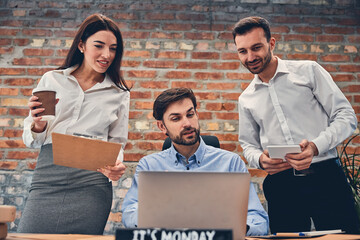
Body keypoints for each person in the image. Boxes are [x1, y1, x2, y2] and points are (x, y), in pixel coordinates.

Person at [233, 16, 359, 234]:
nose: (250, 57)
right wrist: (261, 160)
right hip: (281, 186)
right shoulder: (246, 99)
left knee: (345, 237)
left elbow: (346, 116)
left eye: (256, 48)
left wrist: (315, 146)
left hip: (326, 178)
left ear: (272, 44)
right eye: (243, 51)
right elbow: (248, 145)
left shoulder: (308, 71)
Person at [18, 13, 130, 234]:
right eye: (99, 46)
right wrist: (37, 124)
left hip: (92, 183)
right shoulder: (52, 80)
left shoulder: (119, 93)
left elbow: (117, 144)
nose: (106, 54)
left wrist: (116, 166)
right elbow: (32, 141)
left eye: (113, 48)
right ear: (81, 45)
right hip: (48, 178)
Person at [121, 88, 269, 236]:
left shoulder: (231, 163)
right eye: (176, 118)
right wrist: (156, 216)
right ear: (162, 127)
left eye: (190, 115)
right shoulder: (149, 166)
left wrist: (234, 230)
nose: (187, 123)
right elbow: (129, 214)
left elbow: (258, 220)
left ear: (197, 115)